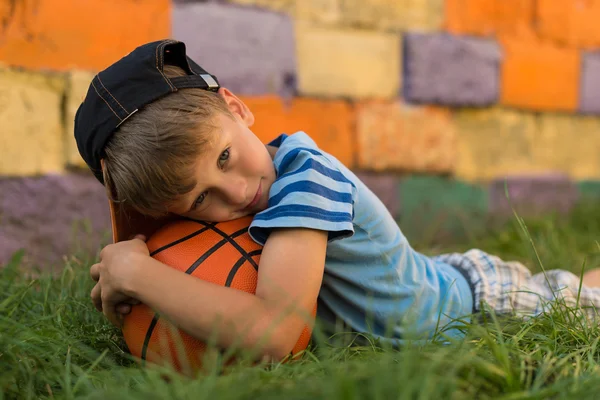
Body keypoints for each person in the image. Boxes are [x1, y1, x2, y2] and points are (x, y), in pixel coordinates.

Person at [75, 40, 600, 361]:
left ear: (235, 106)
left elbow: (277, 332)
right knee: (570, 287)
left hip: (477, 307)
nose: (237, 194)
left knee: (577, 306)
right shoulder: (248, 195)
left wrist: (141, 276)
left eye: (226, 157)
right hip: (434, 280)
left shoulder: (306, 182)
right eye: (198, 201)